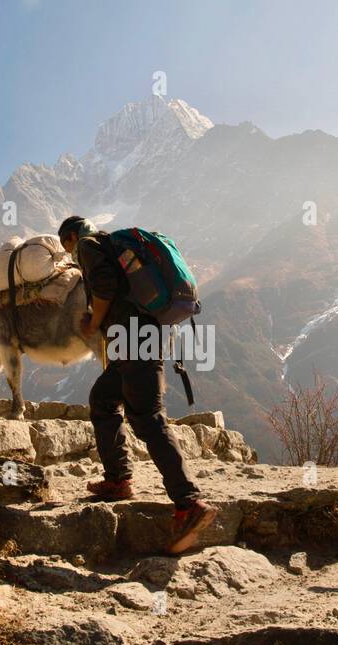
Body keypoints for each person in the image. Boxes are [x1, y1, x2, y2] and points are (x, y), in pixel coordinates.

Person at [58, 215, 217, 555]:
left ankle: (189, 504)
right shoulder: (116, 247)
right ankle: (118, 479)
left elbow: (104, 287)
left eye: (65, 247)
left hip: (132, 337)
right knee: (103, 398)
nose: (69, 255)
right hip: (138, 336)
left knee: (147, 417)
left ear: (71, 237)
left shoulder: (87, 246)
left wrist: (94, 320)